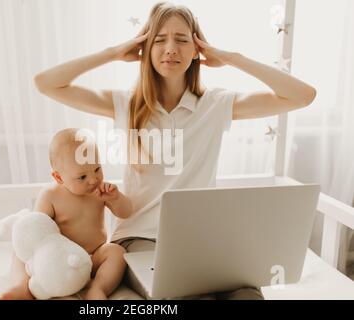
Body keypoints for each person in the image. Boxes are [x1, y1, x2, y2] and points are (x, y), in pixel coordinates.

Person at [33, 2, 317, 300]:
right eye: (159, 40)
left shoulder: (216, 105)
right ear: (144, 48)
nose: (171, 48)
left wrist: (231, 58)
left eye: (182, 40)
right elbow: (46, 84)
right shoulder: (126, 105)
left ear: (197, 49)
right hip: (140, 238)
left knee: (249, 296)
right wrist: (114, 53)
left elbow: (302, 96)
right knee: (190, 295)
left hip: (201, 240)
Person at [0, 128, 133, 300]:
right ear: (59, 178)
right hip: (56, 261)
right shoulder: (51, 196)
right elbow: (36, 232)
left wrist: (116, 198)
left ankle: (97, 287)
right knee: (20, 252)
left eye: (97, 169)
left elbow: (126, 212)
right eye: (82, 177)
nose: (93, 179)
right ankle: (21, 287)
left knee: (117, 252)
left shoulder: (101, 191)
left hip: (92, 258)